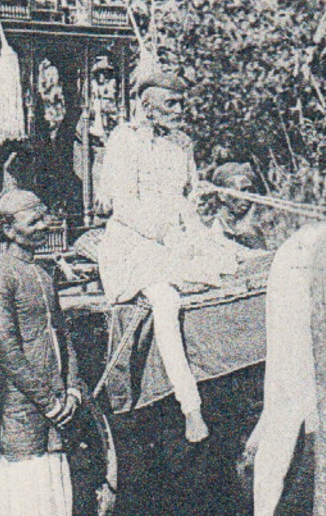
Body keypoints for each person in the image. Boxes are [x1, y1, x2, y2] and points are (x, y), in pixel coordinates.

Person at [93, 66, 248, 443]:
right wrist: (169, 235)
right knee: (166, 299)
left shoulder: (182, 144)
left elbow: (187, 199)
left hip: (176, 240)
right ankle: (189, 407)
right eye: (171, 103)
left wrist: (196, 220)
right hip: (131, 248)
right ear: (147, 106)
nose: (179, 110)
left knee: (239, 266)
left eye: (181, 103)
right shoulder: (123, 140)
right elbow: (124, 207)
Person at [0, 189, 85, 516]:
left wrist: (73, 388)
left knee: (43, 484)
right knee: (21, 489)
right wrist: (46, 400)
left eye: (45, 219)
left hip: (54, 398)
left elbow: (63, 335)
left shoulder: (42, 274)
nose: (44, 227)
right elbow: (6, 349)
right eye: (33, 221)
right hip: (21, 403)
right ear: (7, 228)